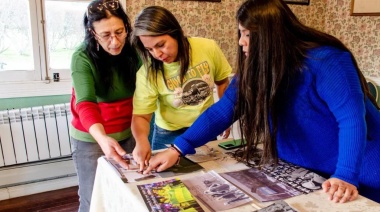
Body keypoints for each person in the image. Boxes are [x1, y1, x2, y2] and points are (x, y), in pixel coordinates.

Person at [145, 0, 380, 204]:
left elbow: (351, 120)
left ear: (271, 36)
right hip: (310, 172)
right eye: (241, 33)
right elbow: (223, 112)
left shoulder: (327, 60)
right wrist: (178, 148)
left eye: (247, 34)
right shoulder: (257, 68)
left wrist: (346, 175)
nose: (240, 42)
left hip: (361, 172)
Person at [131, 6, 232, 166]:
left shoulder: (208, 48)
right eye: (150, 49)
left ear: (175, 33)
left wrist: (224, 116)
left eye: (161, 45)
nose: (157, 54)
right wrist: (141, 140)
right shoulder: (147, 73)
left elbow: (222, 82)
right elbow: (142, 116)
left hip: (205, 126)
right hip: (169, 132)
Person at [70, 0, 140, 211]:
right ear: (92, 32)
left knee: (127, 192)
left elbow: (147, 91)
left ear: (127, 27)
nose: (114, 42)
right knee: (93, 198)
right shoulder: (81, 57)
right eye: (106, 35)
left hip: (128, 133)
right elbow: (86, 104)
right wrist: (102, 139)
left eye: (119, 32)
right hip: (92, 137)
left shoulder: (134, 51)